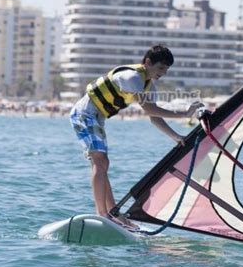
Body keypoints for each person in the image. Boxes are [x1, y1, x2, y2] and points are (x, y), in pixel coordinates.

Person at [70, 45, 202, 227]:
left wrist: (175, 136)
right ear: (148, 62)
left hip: (96, 118)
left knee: (103, 163)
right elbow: (149, 109)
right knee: (100, 162)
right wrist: (184, 113)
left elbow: (154, 118)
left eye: (166, 69)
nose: (163, 73)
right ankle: (102, 213)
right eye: (160, 68)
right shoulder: (131, 77)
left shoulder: (149, 87)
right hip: (84, 114)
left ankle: (112, 213)